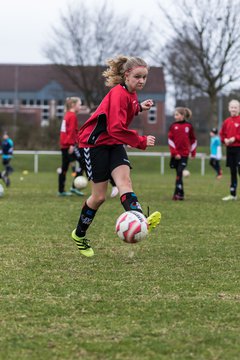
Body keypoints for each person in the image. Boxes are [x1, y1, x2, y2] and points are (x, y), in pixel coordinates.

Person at [71, 55, 161, 257]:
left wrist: (139, 107)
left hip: (113, 143)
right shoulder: (118, 93)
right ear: (127, 74)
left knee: (125, 183)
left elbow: (127, 109)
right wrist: (140, 141)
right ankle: (79, 234)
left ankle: (139, 220)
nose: (141, 81)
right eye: (138, 76)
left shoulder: (131, 94)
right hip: (94, 145)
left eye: (144, 77)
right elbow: (115, 128)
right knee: (99, 196)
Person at [168, 107, 197, 200]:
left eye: (177, 114)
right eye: (174, 115)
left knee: (180, 172)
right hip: (175, 155)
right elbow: (170, 140)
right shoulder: (173, 126)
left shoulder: (189, 126)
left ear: (182, 115)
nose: (175, 116)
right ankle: (181, 194)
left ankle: (177, 194)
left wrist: (193, 152)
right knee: (178, 173)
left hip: (184, 154)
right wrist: (175, 153)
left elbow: (193, 140)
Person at [58, 97, 85, 197]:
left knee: (64, 167)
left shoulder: (67, 115)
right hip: (69, 145)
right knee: (83, 162)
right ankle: (74, 187)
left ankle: (61, 190)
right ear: (73, 105)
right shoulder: (72, 116)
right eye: (79, 104)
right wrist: (71, 145)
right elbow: (71, 132)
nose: (80, 106)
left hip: (64, 145)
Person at [220, 99, 240, 201]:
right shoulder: (226, 121)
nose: (233, 109)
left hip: (239, 148)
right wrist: (225, 140)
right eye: (232, 107)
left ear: (239, 109)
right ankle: (233, 194)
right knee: (233, 171)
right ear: (228, 108)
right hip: (230, 149)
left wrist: (235, 138)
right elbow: (222, 134)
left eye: (235, 107)